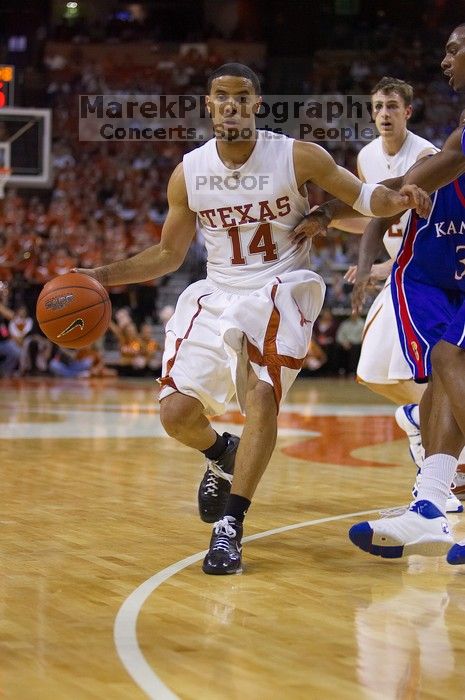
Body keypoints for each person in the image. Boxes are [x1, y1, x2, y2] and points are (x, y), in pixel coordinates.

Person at [75, 63, 429, 575]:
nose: (232, 105)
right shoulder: (189, 173)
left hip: (279, 286)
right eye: (222, 96)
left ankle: (231, 526)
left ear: (257, 103)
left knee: (260, 394)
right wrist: (99, 275)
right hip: (217, 290)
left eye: (242, 96)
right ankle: (223, 452)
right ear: (209, 104)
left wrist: (397, 198)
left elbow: (361, 197)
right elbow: (169, 255)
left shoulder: (297, 155)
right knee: (175, 415)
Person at [298, 25, 465, 561]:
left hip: (432, 260)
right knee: (443, 360)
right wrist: (356, 232)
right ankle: (433, 506)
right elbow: (389, 200)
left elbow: (407, 190)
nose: (445, 59)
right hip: (437, 266)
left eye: (454, 49)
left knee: (445, 364)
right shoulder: (450, 134)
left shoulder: (437, 147)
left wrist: (332, 209)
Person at [333, 78, 465, 509]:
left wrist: (383, 265)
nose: (384, 113)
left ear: (408, 111)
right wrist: (333, 221)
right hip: (403, 270)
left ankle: (440, 464)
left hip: (425, 269)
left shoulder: (429, 155)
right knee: (375, 371)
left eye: (392, 105)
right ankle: (424, 430)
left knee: (440, 365)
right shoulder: (367, 157)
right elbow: (374, 212)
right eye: (377, 106)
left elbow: (428, 224)